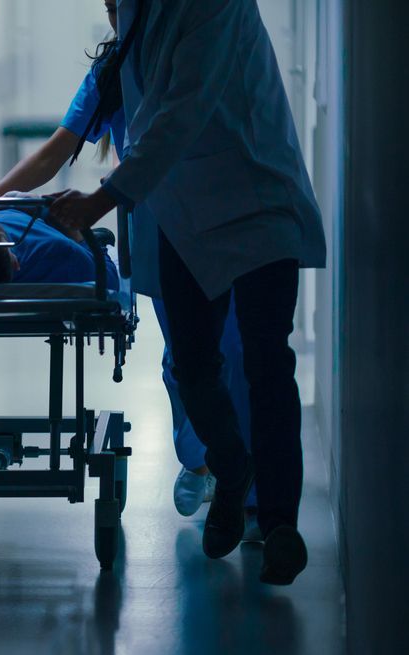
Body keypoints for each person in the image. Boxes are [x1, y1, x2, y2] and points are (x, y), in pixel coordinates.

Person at [49, 0, 326, 585]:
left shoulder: (218, 5)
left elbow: (181, 112)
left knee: (267, 364)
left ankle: (279, 526)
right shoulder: (134, 15)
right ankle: (231, 470)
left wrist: (100, 200)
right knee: (194, 369)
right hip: (183, 213)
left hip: (256, 198)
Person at [0, 0, 257, 528]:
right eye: (110, 6)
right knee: (185, 356)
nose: (118, 16)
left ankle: (243, 481)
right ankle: (202, 460)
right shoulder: (111, 70)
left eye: (123, 5)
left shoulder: (190, 43)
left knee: (234, 350)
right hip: (158, 227)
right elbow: (57, 149)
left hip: (220, 216)